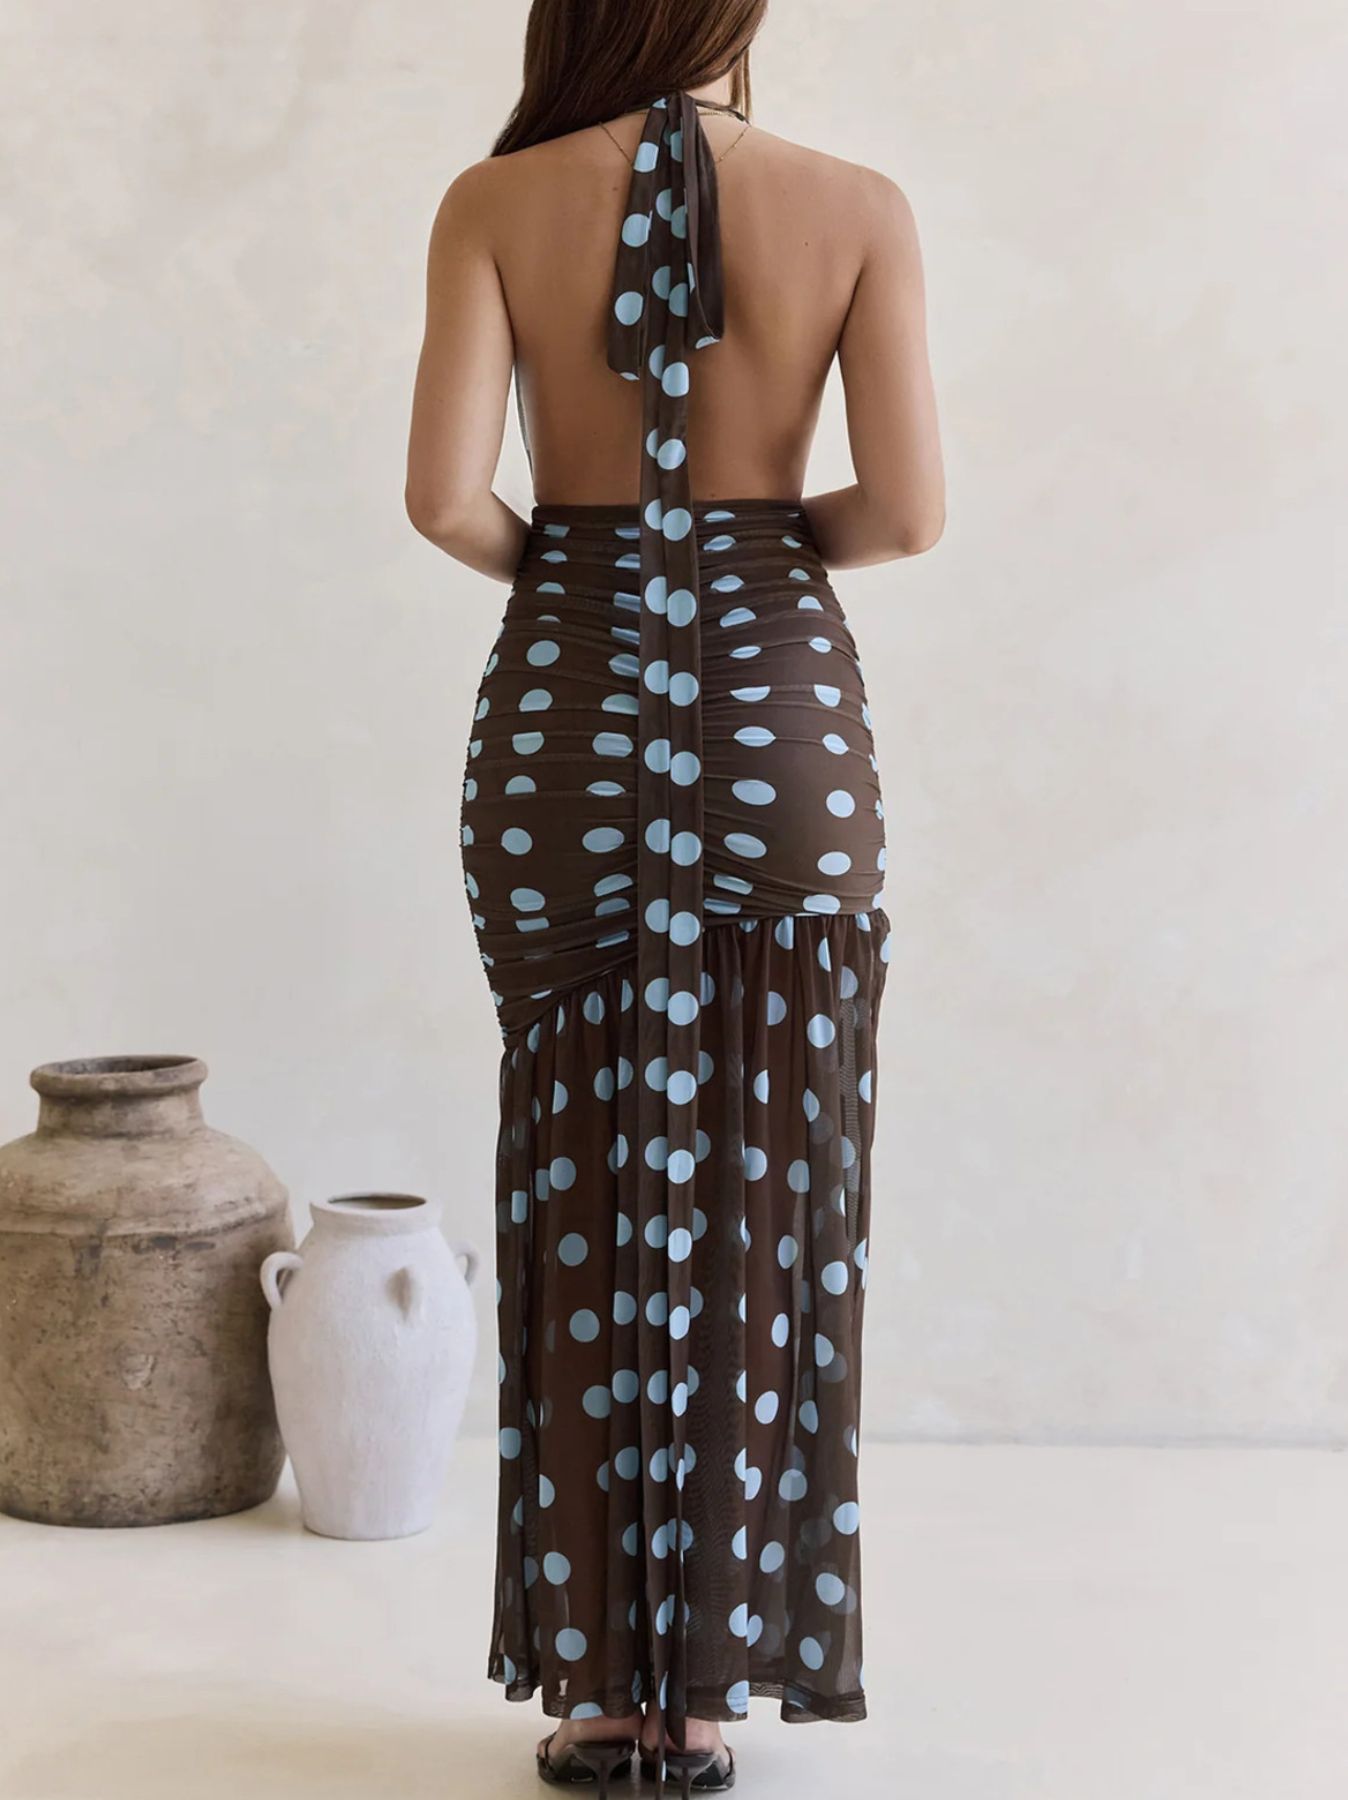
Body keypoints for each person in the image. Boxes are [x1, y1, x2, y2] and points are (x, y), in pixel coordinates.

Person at [405, 2, 943, 1792]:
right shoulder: (857, 203)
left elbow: (440, 503)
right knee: (769, 1181)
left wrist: (582, 568)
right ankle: (712, 1688)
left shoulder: (492, 201)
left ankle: (596, 1683)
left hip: (564, 710)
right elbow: (912, 514)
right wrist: (754, 548)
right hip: (779, 707)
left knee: (584, 1172)